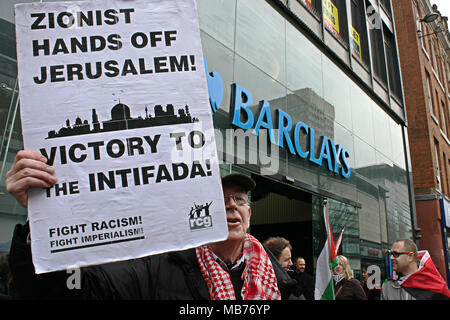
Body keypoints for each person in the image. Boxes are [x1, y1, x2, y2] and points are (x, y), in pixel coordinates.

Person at [6, 150, 296, 300]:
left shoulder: (282, 280)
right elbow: (76, 292)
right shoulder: (159, 267)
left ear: (250, 213)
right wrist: (45, 219)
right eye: (220, 198)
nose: (232, 205)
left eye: (240, 199)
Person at [381, 239, 450, 300]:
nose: (391, 258)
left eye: (396, 254)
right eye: (391, 254)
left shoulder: (436, 286)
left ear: (410, 256)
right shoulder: (387, 286)